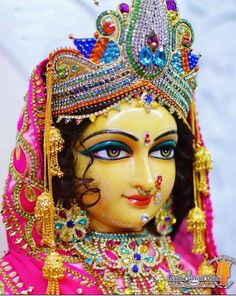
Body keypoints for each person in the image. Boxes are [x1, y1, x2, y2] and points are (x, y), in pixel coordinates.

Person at [0, 0, 225, 294]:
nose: (146, 180)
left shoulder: (193, 273)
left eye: (163, 151)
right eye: (113, 151)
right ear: (61, 157)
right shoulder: (30, 278)